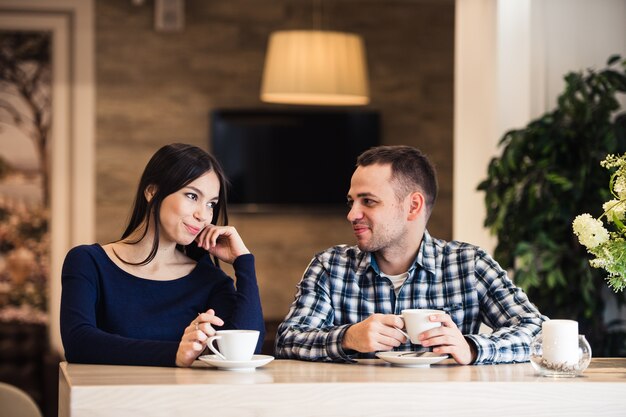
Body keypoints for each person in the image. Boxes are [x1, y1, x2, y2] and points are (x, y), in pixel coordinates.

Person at [275, 145, 547, 365]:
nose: (352, 214)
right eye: (351, 201)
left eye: (368, 201)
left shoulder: (468, 264)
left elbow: (540, 333)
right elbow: (288, 340)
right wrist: (347, 338)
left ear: (413, 206)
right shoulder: (331, 266)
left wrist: (473, 348)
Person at [60, 143, 265, 367]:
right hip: (109, 400)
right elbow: (78, 343)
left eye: (211, 204)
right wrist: (175, 353)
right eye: (192, 196)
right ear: (152, 191)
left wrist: (243, 261)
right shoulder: (88, 262)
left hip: (182, 401)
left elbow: (246, 351)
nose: (203, 215)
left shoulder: (209, 280)